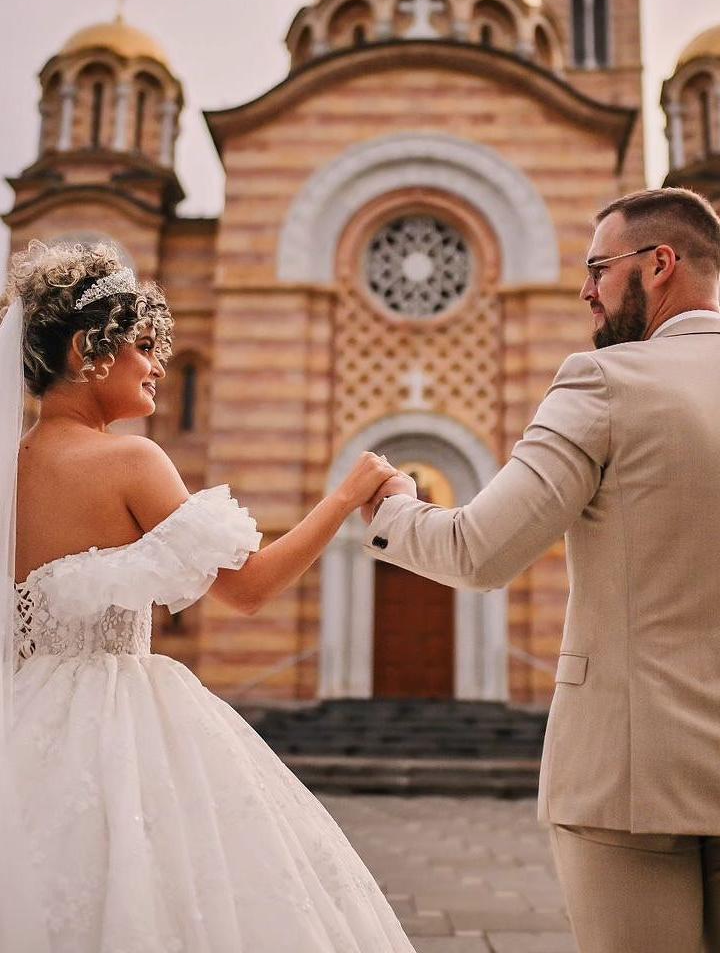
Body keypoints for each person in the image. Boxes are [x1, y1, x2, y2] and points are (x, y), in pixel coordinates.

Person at [0, 239, 416, 953]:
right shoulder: (129, 459)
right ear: (85, 351)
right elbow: (249, 588)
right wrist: (346, 496)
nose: (159, 366)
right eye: (143, 347)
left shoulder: (9, 468)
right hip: (118, 723)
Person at [363, 187, 720, 953]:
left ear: (659, 264)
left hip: (631, 777)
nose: (586, 291)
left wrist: (394, 509)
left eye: (598, 269)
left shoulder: (607, 381)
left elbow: (479, 551)